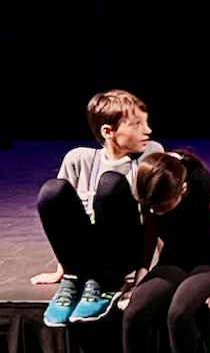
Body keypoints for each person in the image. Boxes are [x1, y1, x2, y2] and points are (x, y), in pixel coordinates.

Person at [36, 90, 165, 325]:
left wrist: (144, 272)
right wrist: (63, 269)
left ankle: (106, 281)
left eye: (146, 122)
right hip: (85, 253)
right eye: (136, 124)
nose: (147, 130)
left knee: (110, 184)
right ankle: (75, 277)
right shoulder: (78, 159)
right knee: (52, 190)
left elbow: (153, 218)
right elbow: (63, 220)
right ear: (108, 132)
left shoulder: (151, 154)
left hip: (122, 253)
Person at [123, 150, 210, 353]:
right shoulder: (151, 186)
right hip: (174, 259)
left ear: (183, 190)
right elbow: (149, 235)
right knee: (135, 312)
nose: (156, 212)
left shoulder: (198, 179)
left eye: (162, 207)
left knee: (179, 313)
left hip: (207, 261)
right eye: (152, 207)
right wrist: (139, 282)